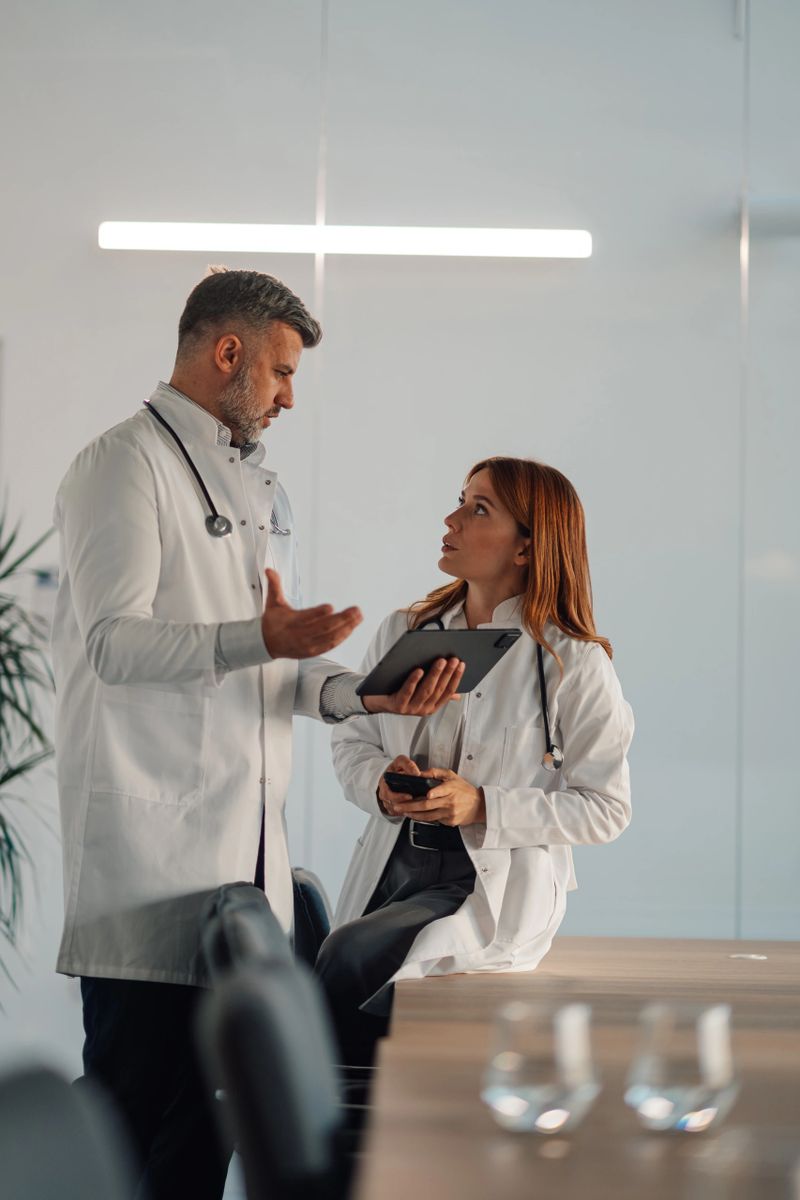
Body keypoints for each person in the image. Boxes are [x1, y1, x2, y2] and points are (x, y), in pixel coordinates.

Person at [51, 267, 464, 1200]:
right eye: (280, 372)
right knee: (124, 1126)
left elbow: (268, 667)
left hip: (242, 867)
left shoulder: (257, 488)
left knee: (204, 1135)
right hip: (148, 864)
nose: (286, 396)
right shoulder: (123, 464)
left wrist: (364, 694)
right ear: (225, 351)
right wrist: (259, 638)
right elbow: (113, 645)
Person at [317, 456, 634, 1066]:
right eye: (460, 500)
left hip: (488, 883)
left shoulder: (573, 661)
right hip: (397, 864)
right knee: (351, 967)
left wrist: (481, 803)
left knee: (351, 959)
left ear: (525, 547)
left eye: (478, 508)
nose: (451, 518)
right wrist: (381, 784)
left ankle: (337, 1132)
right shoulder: (406, 631)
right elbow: (353, 740)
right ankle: (350, 1129)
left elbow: (607, 809)